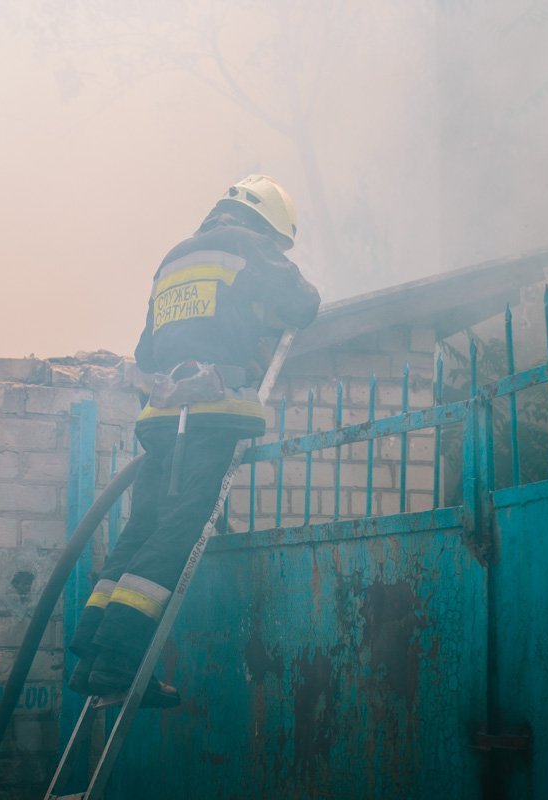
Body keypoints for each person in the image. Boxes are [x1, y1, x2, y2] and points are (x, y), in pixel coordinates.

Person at [68, 175, 321, 705]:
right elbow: (304, 303)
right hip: (211, 415)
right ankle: (119, 660)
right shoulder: (249, 244)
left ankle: (91, 652)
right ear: (267, 225)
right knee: (178, 533)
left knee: (141, 529)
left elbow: (146, 351)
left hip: (162, 417)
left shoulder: (173, 260)